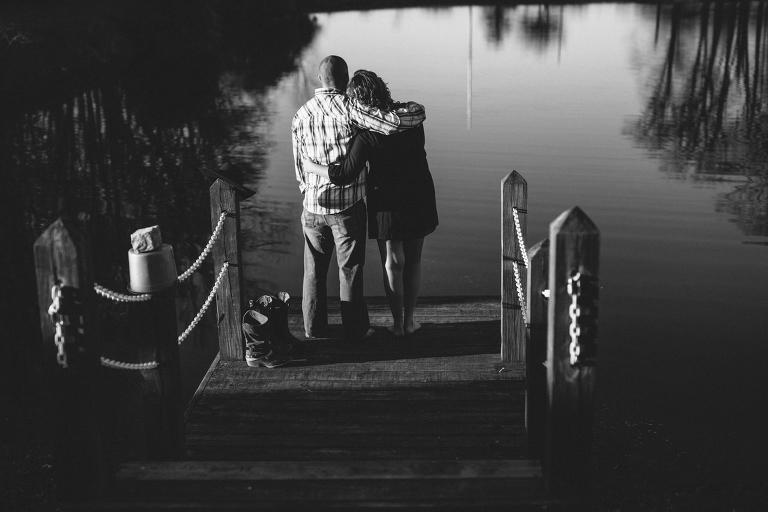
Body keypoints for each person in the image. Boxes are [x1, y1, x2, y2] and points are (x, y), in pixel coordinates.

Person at [292, 56, 426, 341]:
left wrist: (309, 184)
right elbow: (389, 124)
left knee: (313, 271)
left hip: (313, 206)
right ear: (343, 79)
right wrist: (416, 112)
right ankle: (358, 329)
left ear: (319, 78)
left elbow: (300, 166)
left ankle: (313, 330)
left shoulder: (300, 115)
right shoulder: (350, 109)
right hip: (353, 205)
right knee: (350, 269)